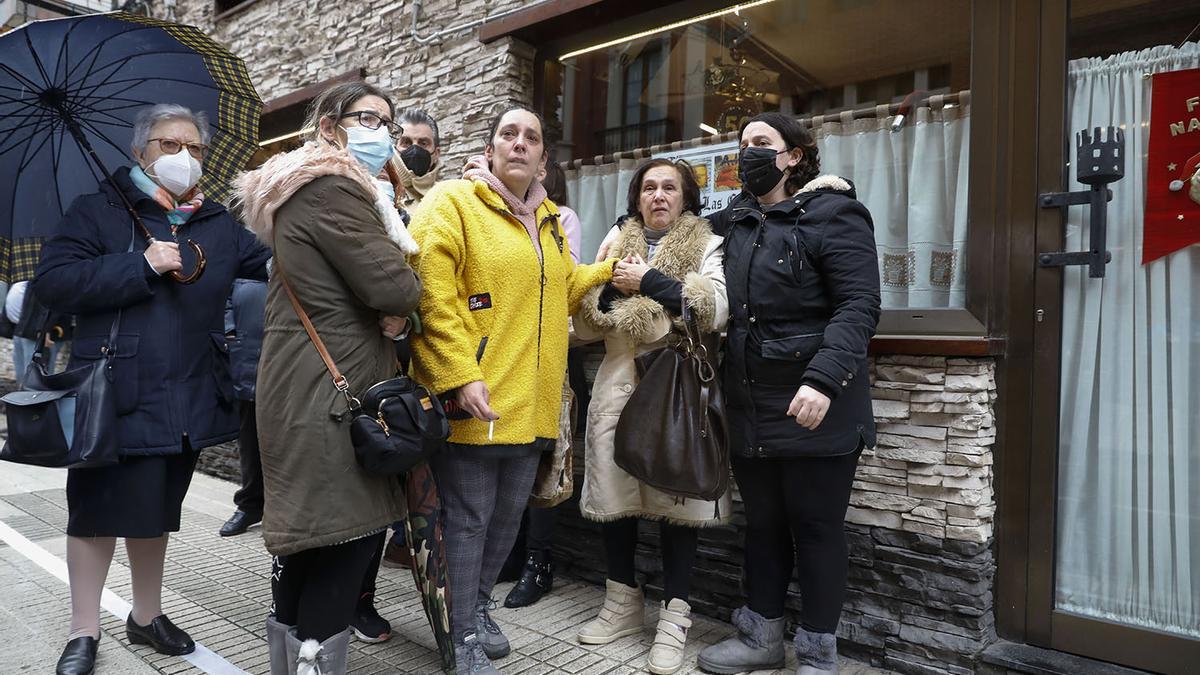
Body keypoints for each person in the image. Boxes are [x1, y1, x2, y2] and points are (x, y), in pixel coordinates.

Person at [34, 103, 271, 675]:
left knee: (157, 510)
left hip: (189, 393)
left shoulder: (216, 221)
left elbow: (274, 263)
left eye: (195, 148)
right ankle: (83, 629)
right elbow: (55, 283)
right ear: (140, 151)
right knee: (94, 514)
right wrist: (138, 265)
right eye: (170, 145)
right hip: (114, 390)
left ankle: (145, 616)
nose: (184, 158)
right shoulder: (97, 211)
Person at [408, 104, 615, 675]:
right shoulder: (452, 203)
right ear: (491, 147)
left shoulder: (548, 219)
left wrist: (605, 270)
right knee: (468, 518)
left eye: (532, 138)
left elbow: (559, 288)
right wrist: (459, 374)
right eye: (509, 134)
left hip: (532, 402)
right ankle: (458, 633)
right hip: (475, 396)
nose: (520, 144)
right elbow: (431, 297)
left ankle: (475, 608)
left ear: (544, 159)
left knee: (506, 519)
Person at [232, 81, 421, 675]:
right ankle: (313, 661)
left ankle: (293, 661)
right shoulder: (334, 189)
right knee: (344, 538)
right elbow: (395, 286)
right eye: (367, 118)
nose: (380, 133)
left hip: (309, 385)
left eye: (386, 122)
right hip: (328, 393)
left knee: (309, 540)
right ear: (330, 126)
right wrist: (405, 306)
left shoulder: (307, 188)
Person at [697, 112, 881, 675]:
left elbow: (859, 307)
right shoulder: (734, 223)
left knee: (818, 528)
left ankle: (819, 654)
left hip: (816, 403)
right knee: (764, 525)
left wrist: (824, 379)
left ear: (794, 155)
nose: (748, 153)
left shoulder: (835, 215)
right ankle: (761, 638)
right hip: (751, 402)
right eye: (742, 144)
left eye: (761, 143)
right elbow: (700, 280)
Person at [571, 158, 730, 675]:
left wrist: (651, 281)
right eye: (648, 188)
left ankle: (674, 618)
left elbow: (716, 310)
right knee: (616, 501)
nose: (658, 196)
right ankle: (621, 604)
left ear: (686, 198)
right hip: (618, 384)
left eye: (669, 188)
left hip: (677, 388)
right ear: (636, 198)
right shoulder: (616, 244)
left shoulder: (707, 244)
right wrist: (605, 286)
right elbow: (584, 328)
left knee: (675, 502)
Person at [501, 160, 584, 610]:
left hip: (552, 354)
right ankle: (511, 555)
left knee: (547, 458)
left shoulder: (560, 218)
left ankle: (539, 562)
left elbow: (557, 285)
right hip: (508, 355)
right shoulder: (487, 212)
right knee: (512, 457)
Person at [217, 277, 267, 537]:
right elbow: (221, 291)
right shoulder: (245, 246)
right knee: (249, 438)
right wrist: (228, 329)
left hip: (287, 358)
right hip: (246, 352)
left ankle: (282, 509)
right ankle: (250, 504)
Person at [6, 280, 68, 385]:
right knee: (23, 377)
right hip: (23, 328)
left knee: (36, 378)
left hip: (39, 331)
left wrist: (45, 329)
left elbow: (56, 301)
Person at [394, 108, 442, 210]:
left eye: (423, 143)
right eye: (406, 143)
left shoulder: (447, 197)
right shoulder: (382, 192)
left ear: (436, 154)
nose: (415, 149)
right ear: (395, 149)